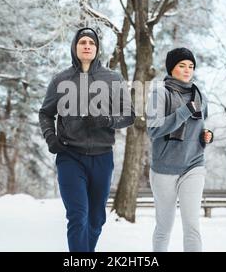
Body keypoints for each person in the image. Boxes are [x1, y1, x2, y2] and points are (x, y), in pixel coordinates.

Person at [39, 27, 135, 252]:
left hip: (102, 157)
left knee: (96, 219)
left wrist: (107, 120)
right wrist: (50, 137)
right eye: (82, 42)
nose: (87, 46)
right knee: (77, 215)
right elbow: (45, 113)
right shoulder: (60, 80)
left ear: (97, 49)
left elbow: (128, 115)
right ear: (75, 47)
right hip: (69, 155)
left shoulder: (113, 79)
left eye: (91, 43)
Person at [146, 47, 214, 252]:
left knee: (192, 226)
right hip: (164, 169)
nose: (187, 70)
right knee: (164, 227)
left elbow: (202, 125)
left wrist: (207, 135)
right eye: (182, 65)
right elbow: (153, 129)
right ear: (171, 68)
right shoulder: (160, 92)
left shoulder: (199, 95)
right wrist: (184, 111)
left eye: (191, 66)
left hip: (193, 166)